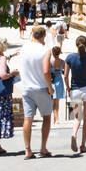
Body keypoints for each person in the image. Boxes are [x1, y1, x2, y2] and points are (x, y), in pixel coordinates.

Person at [13, 26, 54, 159]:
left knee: (27, 119)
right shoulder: (46, 50)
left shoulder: (24, 48)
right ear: (43, 36)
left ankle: (28, 150)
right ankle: (43, 147)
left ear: (32, 35)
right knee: (47, 117)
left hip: (26, 88)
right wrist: (50, 88)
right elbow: (46, 71)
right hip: (41, 88)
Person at [63, 36, 86, 154]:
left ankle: (74, 134)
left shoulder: (70, 58)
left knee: (77, 117)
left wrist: (68, 87)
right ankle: (83, 145)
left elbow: (65, 76)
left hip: (75, 91)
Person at [49, 45, 66, 124]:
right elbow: (65, 73)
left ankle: (56, 118)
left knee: (53, 101)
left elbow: (47, 72)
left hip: (52, 81)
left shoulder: (50, 62)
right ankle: (55, 118)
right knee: (57, 102)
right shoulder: (62, 62)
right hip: (59, 81)